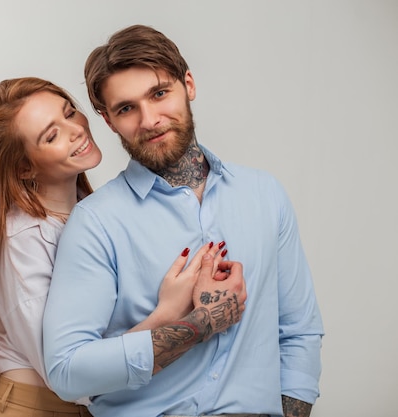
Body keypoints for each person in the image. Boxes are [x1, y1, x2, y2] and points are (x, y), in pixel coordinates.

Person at [43, 25, 324, 417]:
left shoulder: (265, 194)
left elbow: (298, 332)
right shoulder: (95, 223)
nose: (150, 119)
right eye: (126, 108)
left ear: (188, 84)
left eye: (159, 93)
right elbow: (67, 371)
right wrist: (199, 325)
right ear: (109, 122)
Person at [0, 77, 235, 417]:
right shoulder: (21, 242)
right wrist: (170, 313)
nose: (76, 130)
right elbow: (70, 375)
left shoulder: (96, 213)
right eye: (52, 135)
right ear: (24, 167)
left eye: (70, 113)